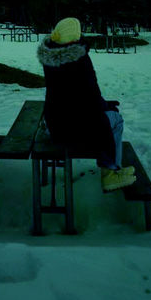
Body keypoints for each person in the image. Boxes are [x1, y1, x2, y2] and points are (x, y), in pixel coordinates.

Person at [37, 16, 136, 192]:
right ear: (73, 38)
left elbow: (76, 96)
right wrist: (106, 107)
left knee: (106, 115)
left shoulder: (51, 58)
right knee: (116, 120)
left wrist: (102, 105)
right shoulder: (78, 60)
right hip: (76, 128)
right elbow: (91, 97)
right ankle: (111, 173)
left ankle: (111, 168)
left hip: (56, 125)